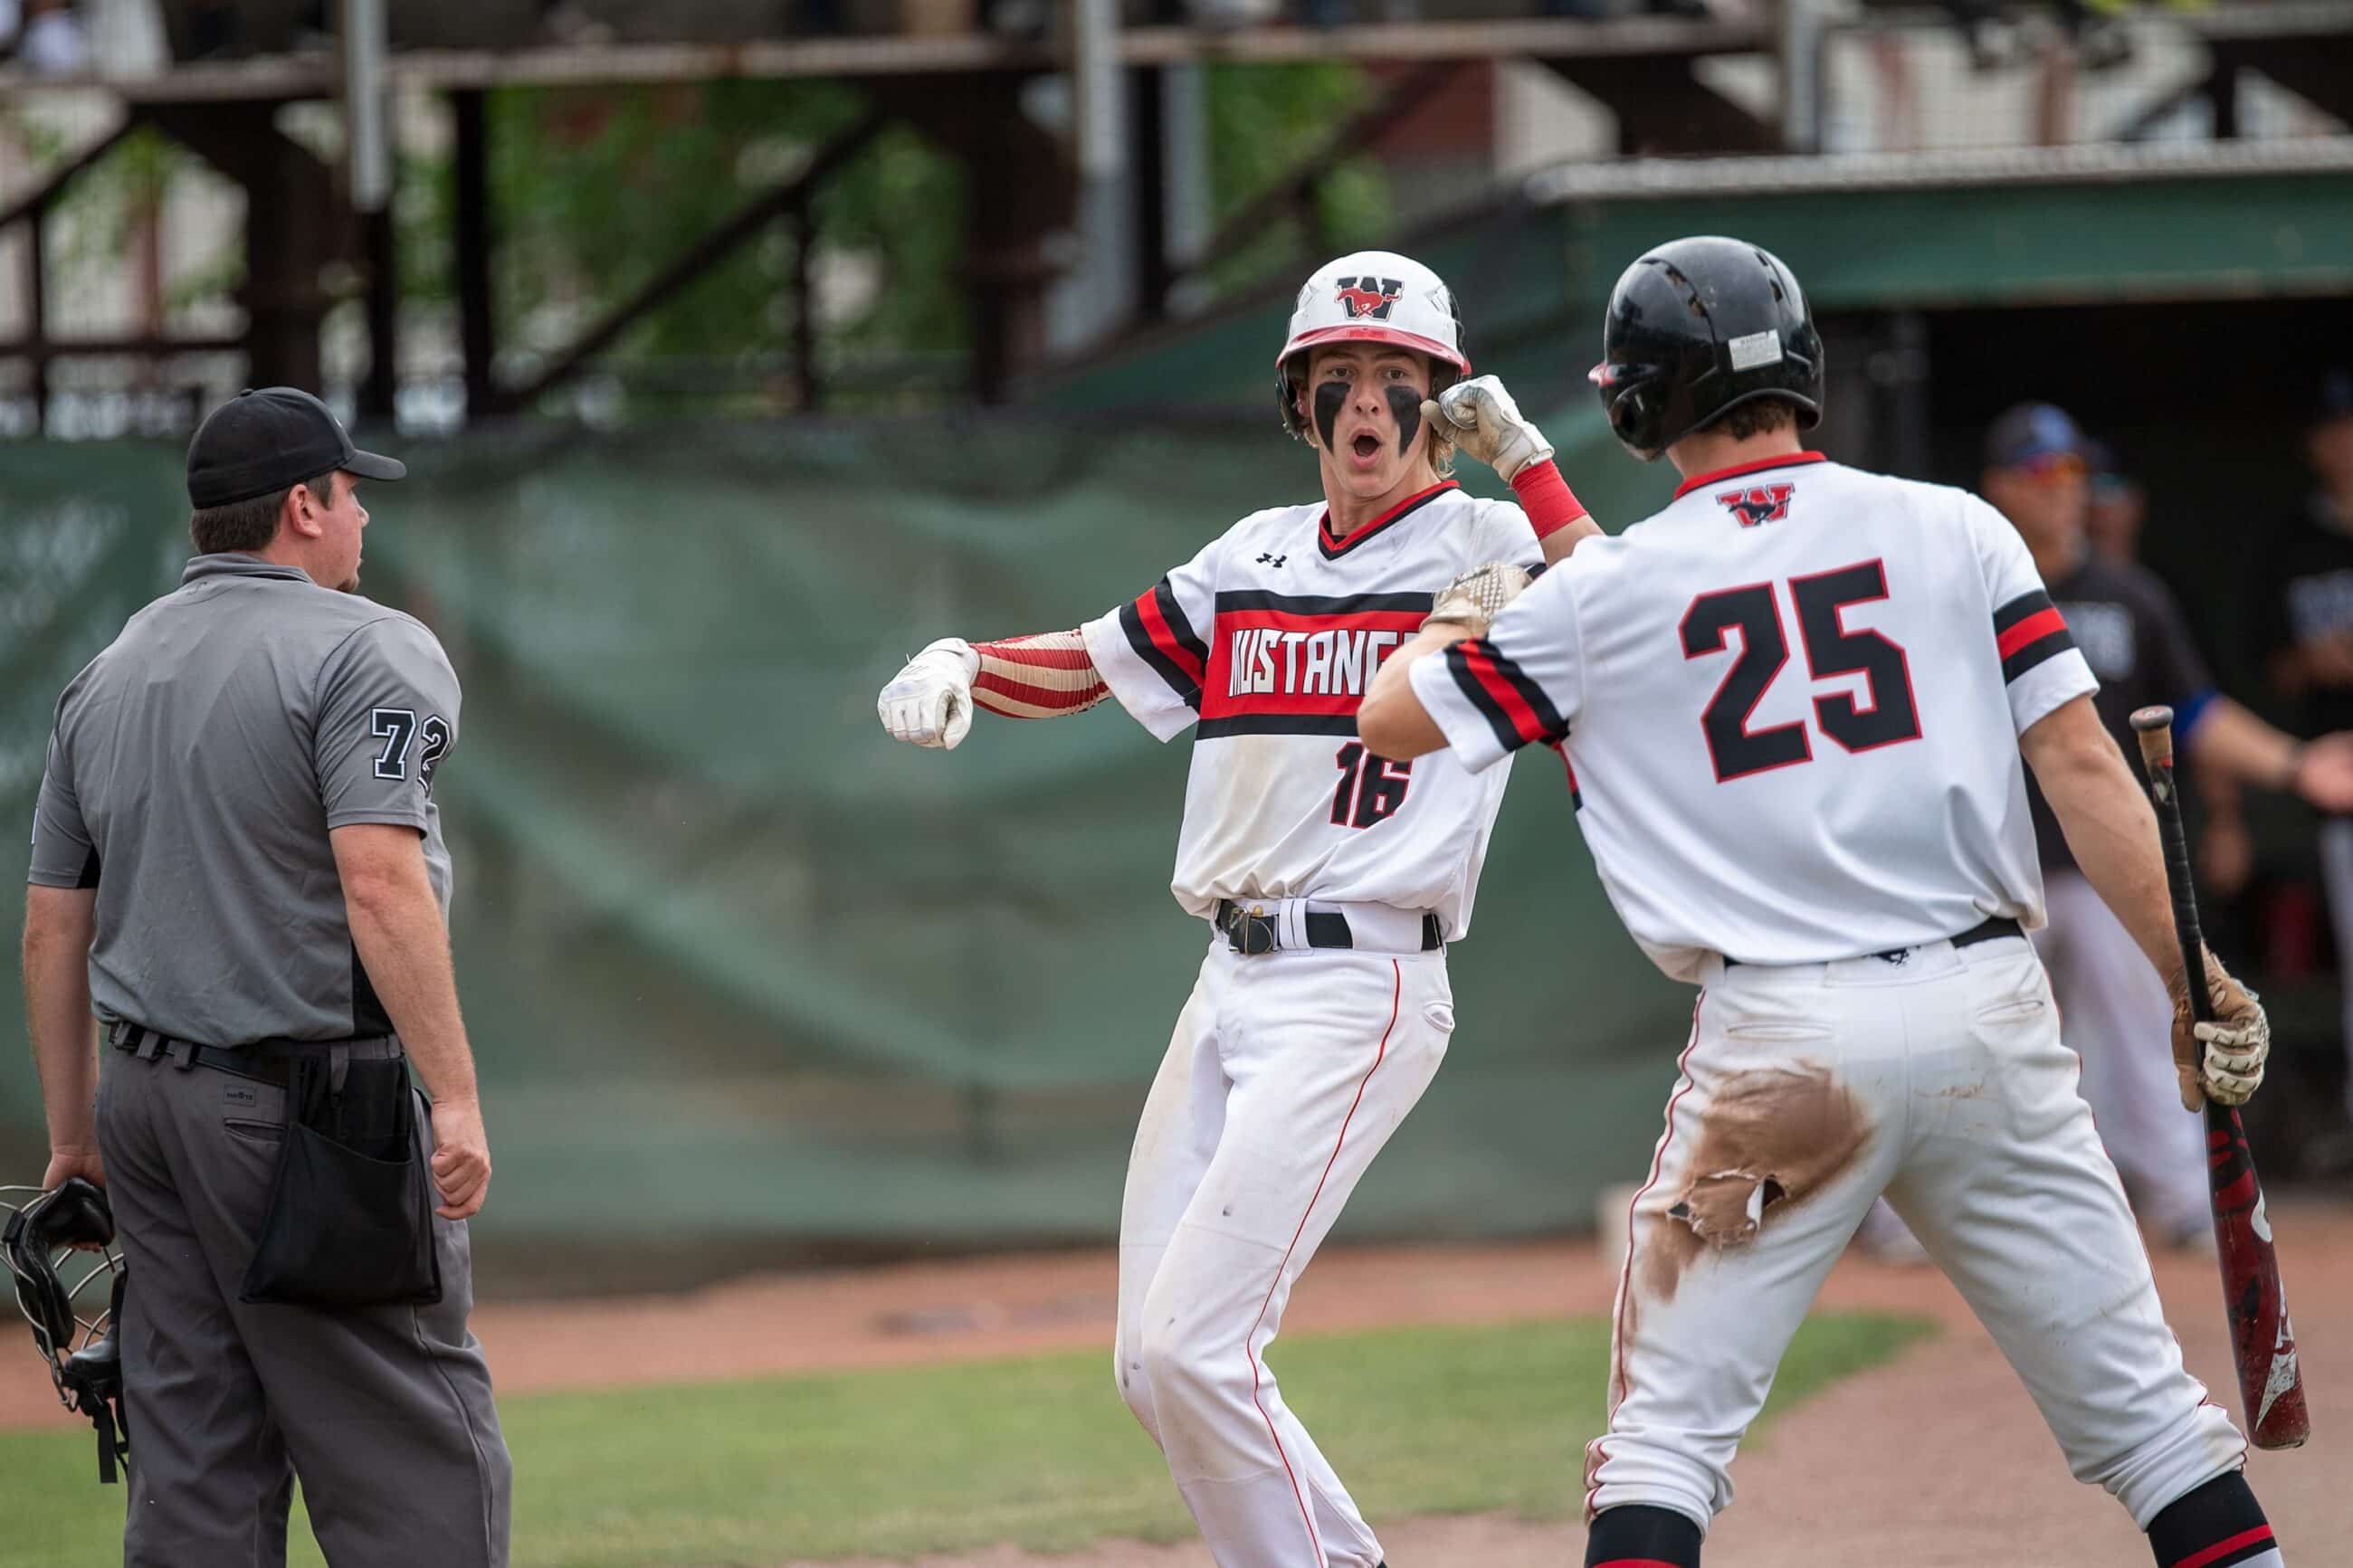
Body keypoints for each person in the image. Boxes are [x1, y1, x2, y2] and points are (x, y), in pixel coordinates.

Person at [1357, 235, 2287, 1568]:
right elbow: (2084, 768)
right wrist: (2190, 978)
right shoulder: (1958, 525)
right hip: (1987, 1014)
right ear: (1800, 372)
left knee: (1662, 1451)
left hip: (1780, 1047)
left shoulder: (1607, 589)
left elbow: (1393, 719)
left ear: (1640, 404)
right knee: (2155, 1430)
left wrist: (1473, 601)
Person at [875, 250, 1596, 1568]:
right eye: (1338, 375)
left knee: (1198, 1347)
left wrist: (1532, 465)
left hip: (1361, 976)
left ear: (1441, 398)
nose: (1366, 400)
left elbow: (1615, 609)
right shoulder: (1251, 553)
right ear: (1296, 403)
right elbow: (1101, 661)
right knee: (1152, 1366)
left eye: (1396, 375)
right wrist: (968, 659)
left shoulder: (1486, 544)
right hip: (1228, 978)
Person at [22, 387, 511, 1568]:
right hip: (308, 1115)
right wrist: (454, 1095)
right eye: (350, 494)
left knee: (198, 1464)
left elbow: (50, 924)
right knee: (409, 1445)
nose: (362, 519)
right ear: (303, 505)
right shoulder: (366, 647)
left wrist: (73, 1136)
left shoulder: (111, 670)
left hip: (146, 1112)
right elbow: (380, 882)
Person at [1978, 400, 2353, 1247]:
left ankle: (2184, 1201)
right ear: (2000, 487)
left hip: (2103, 865)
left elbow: (2197, 713)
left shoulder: (2129, 597)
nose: (2065, 488)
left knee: (2146, 1035)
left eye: (2075, 471)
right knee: (1972, 1041)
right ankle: (1914, 1219)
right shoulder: (1975, 591)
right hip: (1998, 865)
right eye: (2043, 472)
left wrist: (2294, 765)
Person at [2258, 366, 2353, 1155]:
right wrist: (2318, 661)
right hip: (2341, 782)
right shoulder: (2294, 542)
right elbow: (2271, 667)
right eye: (2337, 428)